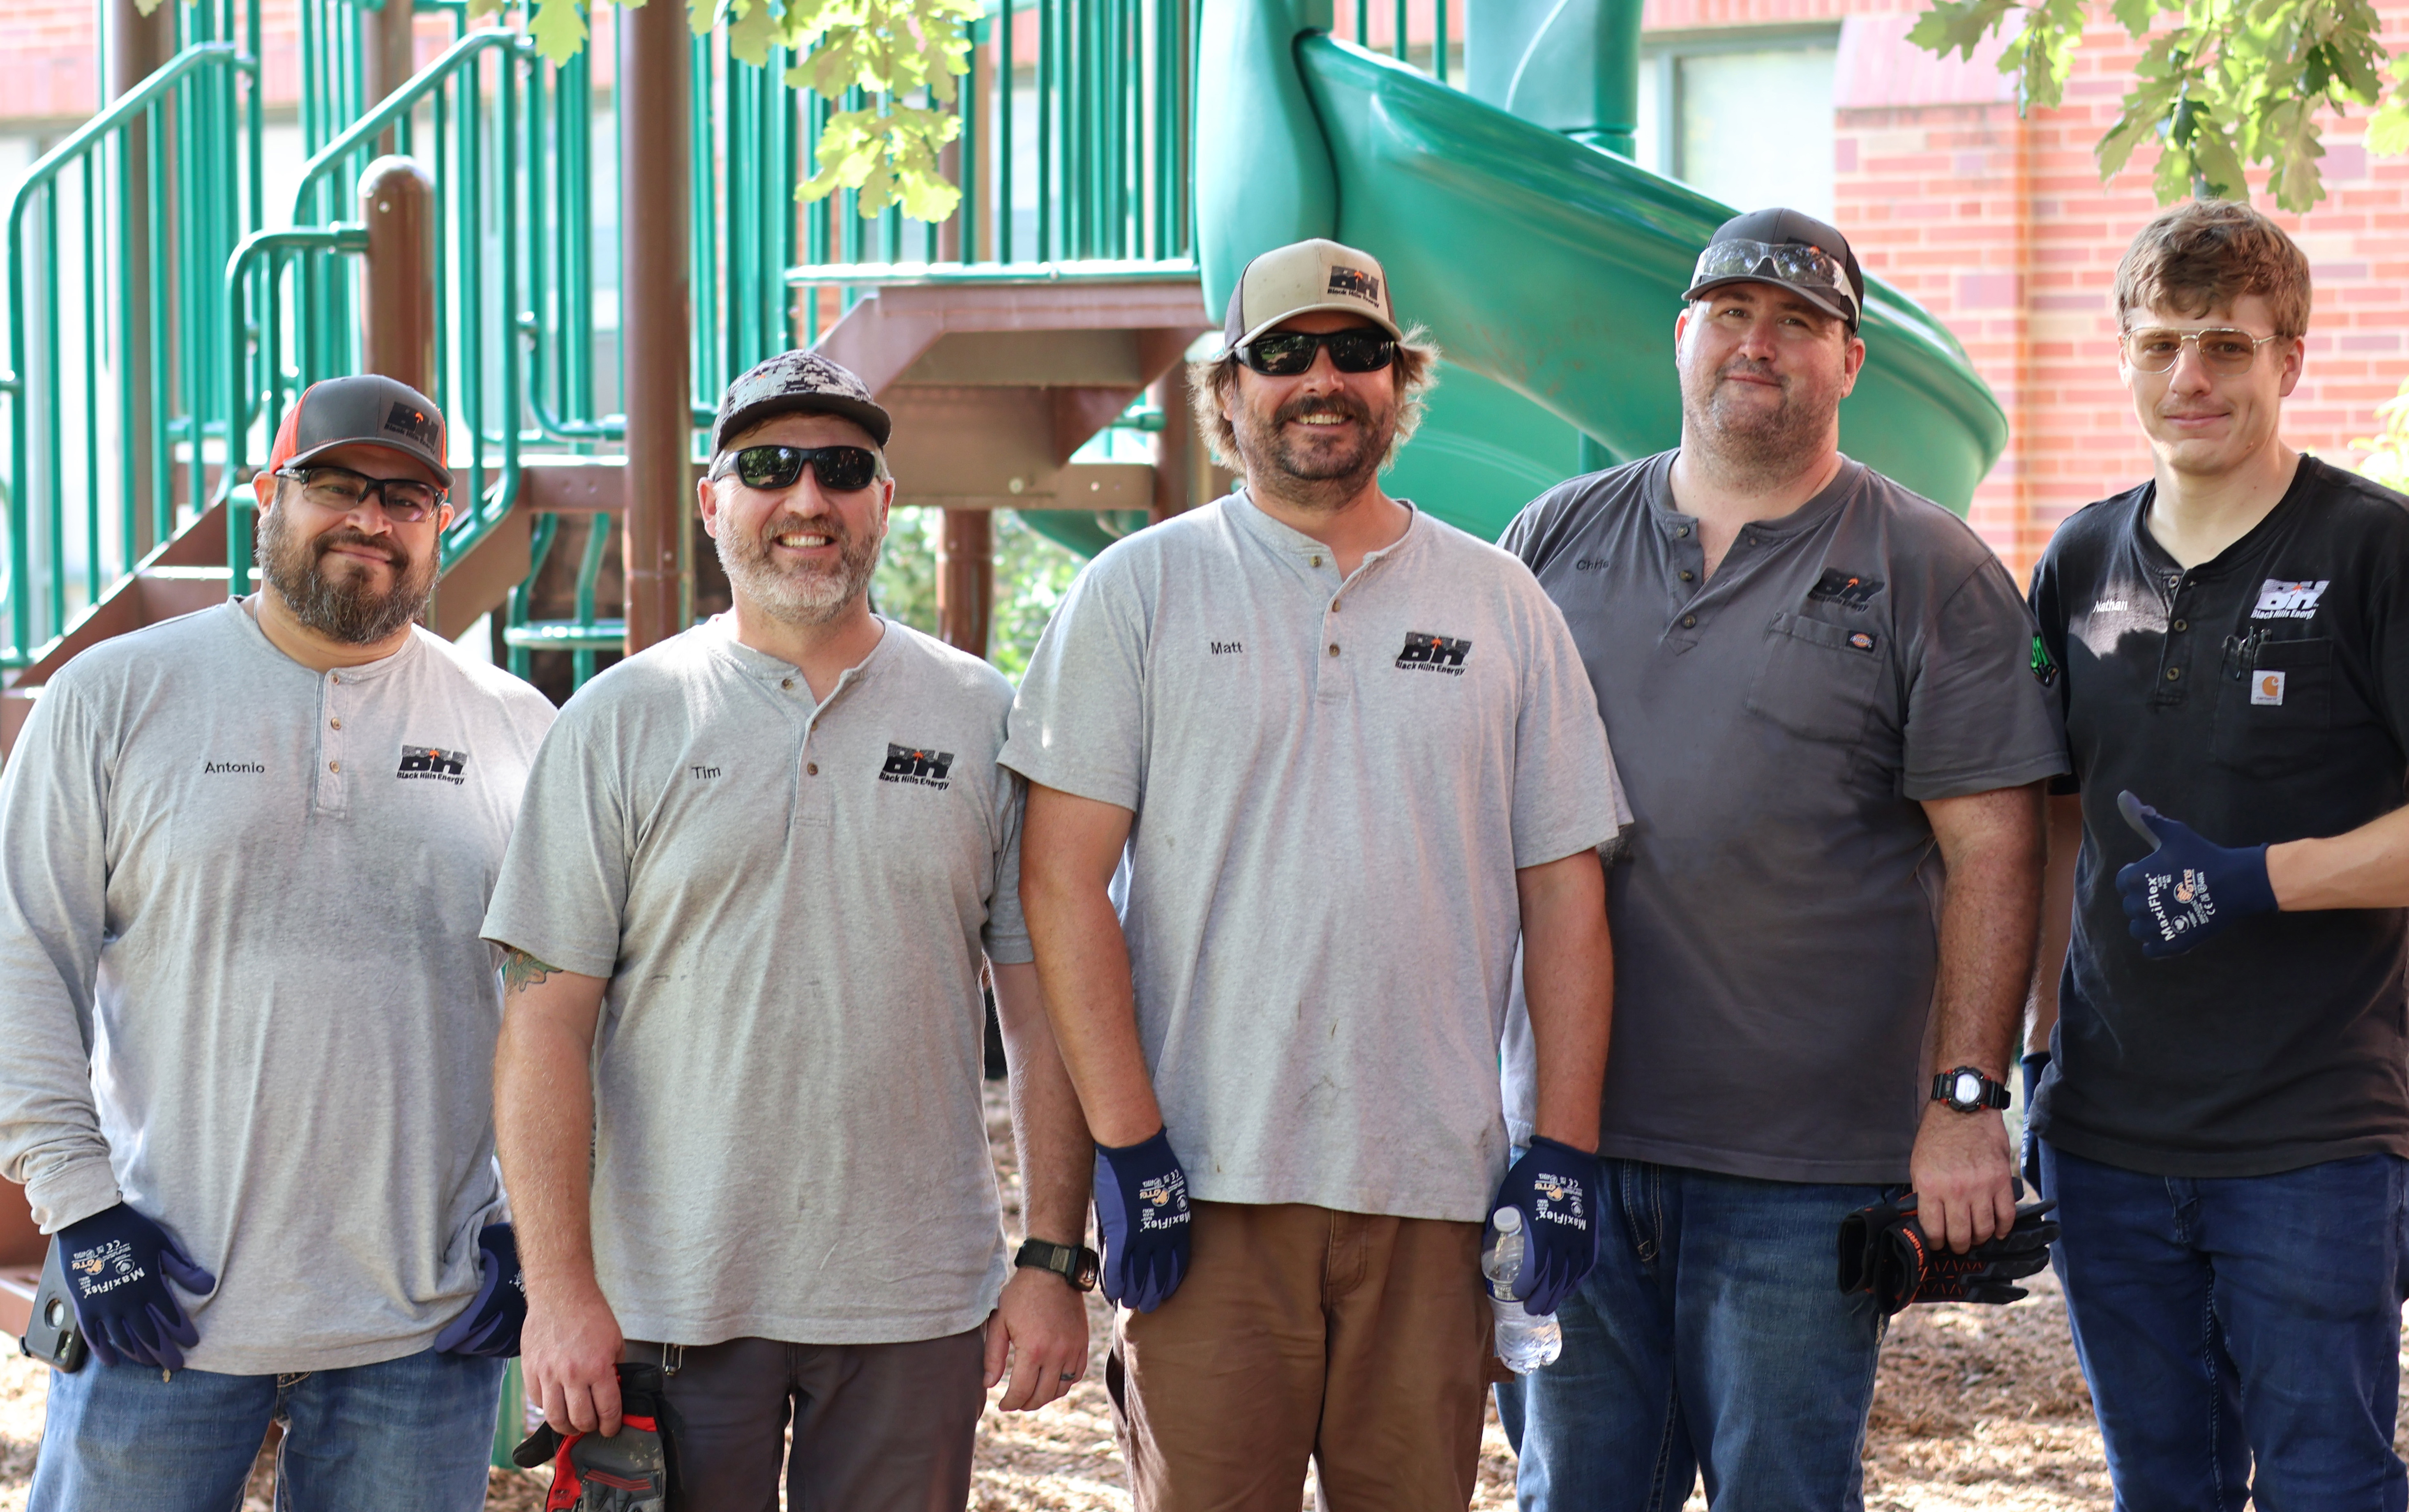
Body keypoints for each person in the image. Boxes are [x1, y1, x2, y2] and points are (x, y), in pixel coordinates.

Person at [1006, 237, 1625, 1512]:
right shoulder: (1137, 592)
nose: (1322, 379)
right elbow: (1059, 886)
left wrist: (1561, 1145)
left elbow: (1567, 894)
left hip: (1434, 1193)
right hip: (1207, 1185)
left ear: (1402, 382)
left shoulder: (1504, 603)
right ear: (1226, 392)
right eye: (1282, 355)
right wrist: (1130, 1151)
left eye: (1358, 352)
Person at [1498, 208, 2067, 1510]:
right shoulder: (1549, 543)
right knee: (1572, 1490)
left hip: (1806, 1174)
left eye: (1802, 323)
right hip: (1569, 1138)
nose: (1762, 344)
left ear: (1849, 362)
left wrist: (1968, 1101)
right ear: (1684, 336)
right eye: (1735, 314)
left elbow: (1995, 848)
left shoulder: (1929, 569)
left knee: (1785, 1494)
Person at [482, 348, 1092, 1512]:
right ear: (713, 501)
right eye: (768, 467)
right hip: (667, 1304)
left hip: (912, 1302)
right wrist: (558, 1289)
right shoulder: (619, 723)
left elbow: (1044, 1006)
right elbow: (542, 1029)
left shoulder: (982, 717)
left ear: (883, 503)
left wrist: (1052, 1259)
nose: (807, 499)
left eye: (840, 469)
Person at [0, 374, 554, 1511]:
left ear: (441, 520)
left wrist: (538, 1224)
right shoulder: (113, 698)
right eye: (338, 485)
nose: (372, 519)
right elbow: (21, 960)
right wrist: (84, 1216)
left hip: (425, 1320)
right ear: (267, 494)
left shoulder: (513, 728)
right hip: (161, 1302)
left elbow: (570, 1003)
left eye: (409, 497)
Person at [2026, 198, 2409, 1510]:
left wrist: (2258, 879)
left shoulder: (2375, 550)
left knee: (2329, 1486)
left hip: (2315, 1135)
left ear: (2288, 361)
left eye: (2228, 348)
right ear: (2123, 353)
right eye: (2162, 343)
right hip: (2107, 1132)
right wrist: (2033, 1056)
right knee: (2162, 1489)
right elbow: (2058, 822)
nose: (2190, 378)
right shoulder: (2079, 559)